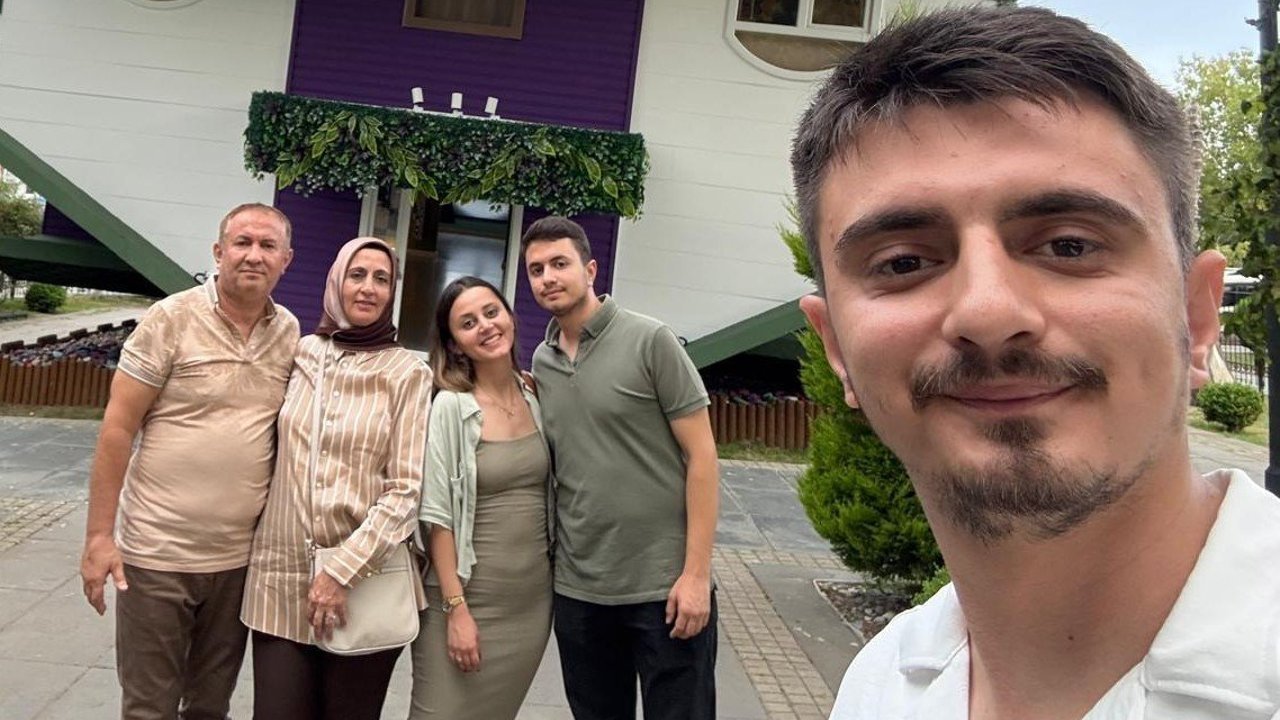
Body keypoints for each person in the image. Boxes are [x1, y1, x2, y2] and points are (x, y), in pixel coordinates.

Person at [792, 6, 1280, 719]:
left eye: (1069, 245)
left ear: (1197, 316)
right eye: (902, 262)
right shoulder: (881, 686)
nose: (988, 312)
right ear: (836, 347)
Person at [77, 202, 299, 719]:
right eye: (242, 242)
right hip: (157, 558)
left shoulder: (287, 332)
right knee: (149, 708)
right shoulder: (170, 318)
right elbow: (117, 429)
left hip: (237, 564)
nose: (254, 255)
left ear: (286, 260)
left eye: (268, 246)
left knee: (209, 707)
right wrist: (99, 537)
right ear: (219, 252)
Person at [523, 216, 721, 719]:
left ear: (590, 270)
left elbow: (702, 456)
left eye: (560, 264)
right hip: (580, 591)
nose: (548, 277)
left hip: (664, 588)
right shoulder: (543, 362)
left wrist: (696, 575)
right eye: (536, 269)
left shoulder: (651, 340)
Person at [241, 236, 431, 720]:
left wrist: (341, 571)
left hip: (363, 583)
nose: (368, 287)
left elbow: (405, 490)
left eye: (381, 279)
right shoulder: (302, 353)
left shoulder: (407, 373)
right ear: (335, 282)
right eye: (357, 274)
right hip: (280, 577)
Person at [408, 275, 554, 719]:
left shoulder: (533, 394)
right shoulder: (451, 407)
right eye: (468, 323)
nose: (486, 326)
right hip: (465, 600)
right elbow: (437, 517)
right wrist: (457, 610)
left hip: (529, 606)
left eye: (492, 312)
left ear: (509, 316)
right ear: (455, 343)